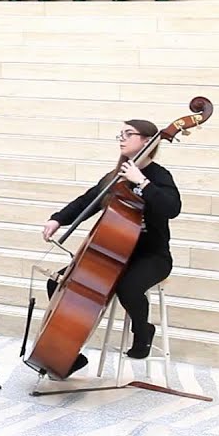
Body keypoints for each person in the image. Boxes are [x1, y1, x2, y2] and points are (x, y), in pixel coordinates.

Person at [42, 120, 180, 371]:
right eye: (121, 134)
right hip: (114, 254)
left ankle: (143, 331)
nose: (122, 138)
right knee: (58, 281)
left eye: (129, 134)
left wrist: (142, 182)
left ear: (147, 140)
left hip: (152, 256)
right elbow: (88, 201)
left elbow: (172, 209)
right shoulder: (115, 176)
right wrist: (58, 219)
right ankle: (68, 353)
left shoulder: (159, 176)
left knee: (128, 287)